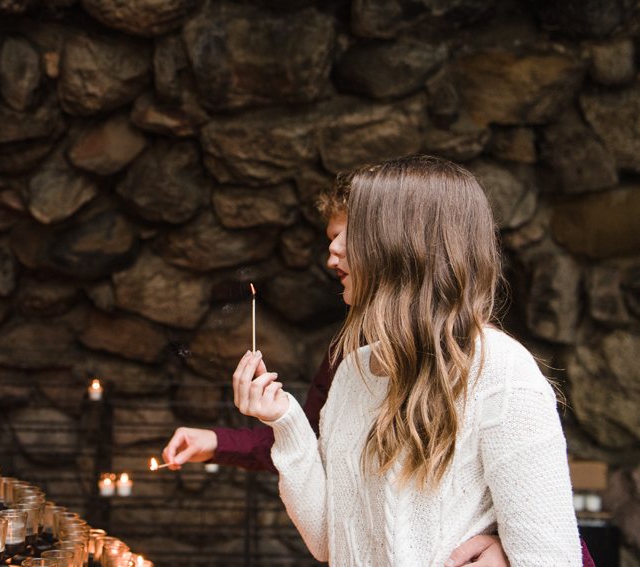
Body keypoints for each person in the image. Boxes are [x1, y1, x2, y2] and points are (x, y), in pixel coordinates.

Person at [231, 156, 581, 566]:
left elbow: (552, 558)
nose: (333, 248)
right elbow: (329, 541)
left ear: (410, 242)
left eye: (358, 229)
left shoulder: (501, 374)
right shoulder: (351, 374)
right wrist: (286, 421)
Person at [164, 171, 514, 567]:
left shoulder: (495, 365)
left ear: (395, 243)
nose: (331, 254)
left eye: (346, 235)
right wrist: (240, 433)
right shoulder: (349, 364)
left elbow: (541, 523)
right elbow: (315, 463)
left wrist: (512, 552)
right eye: (331, 237)